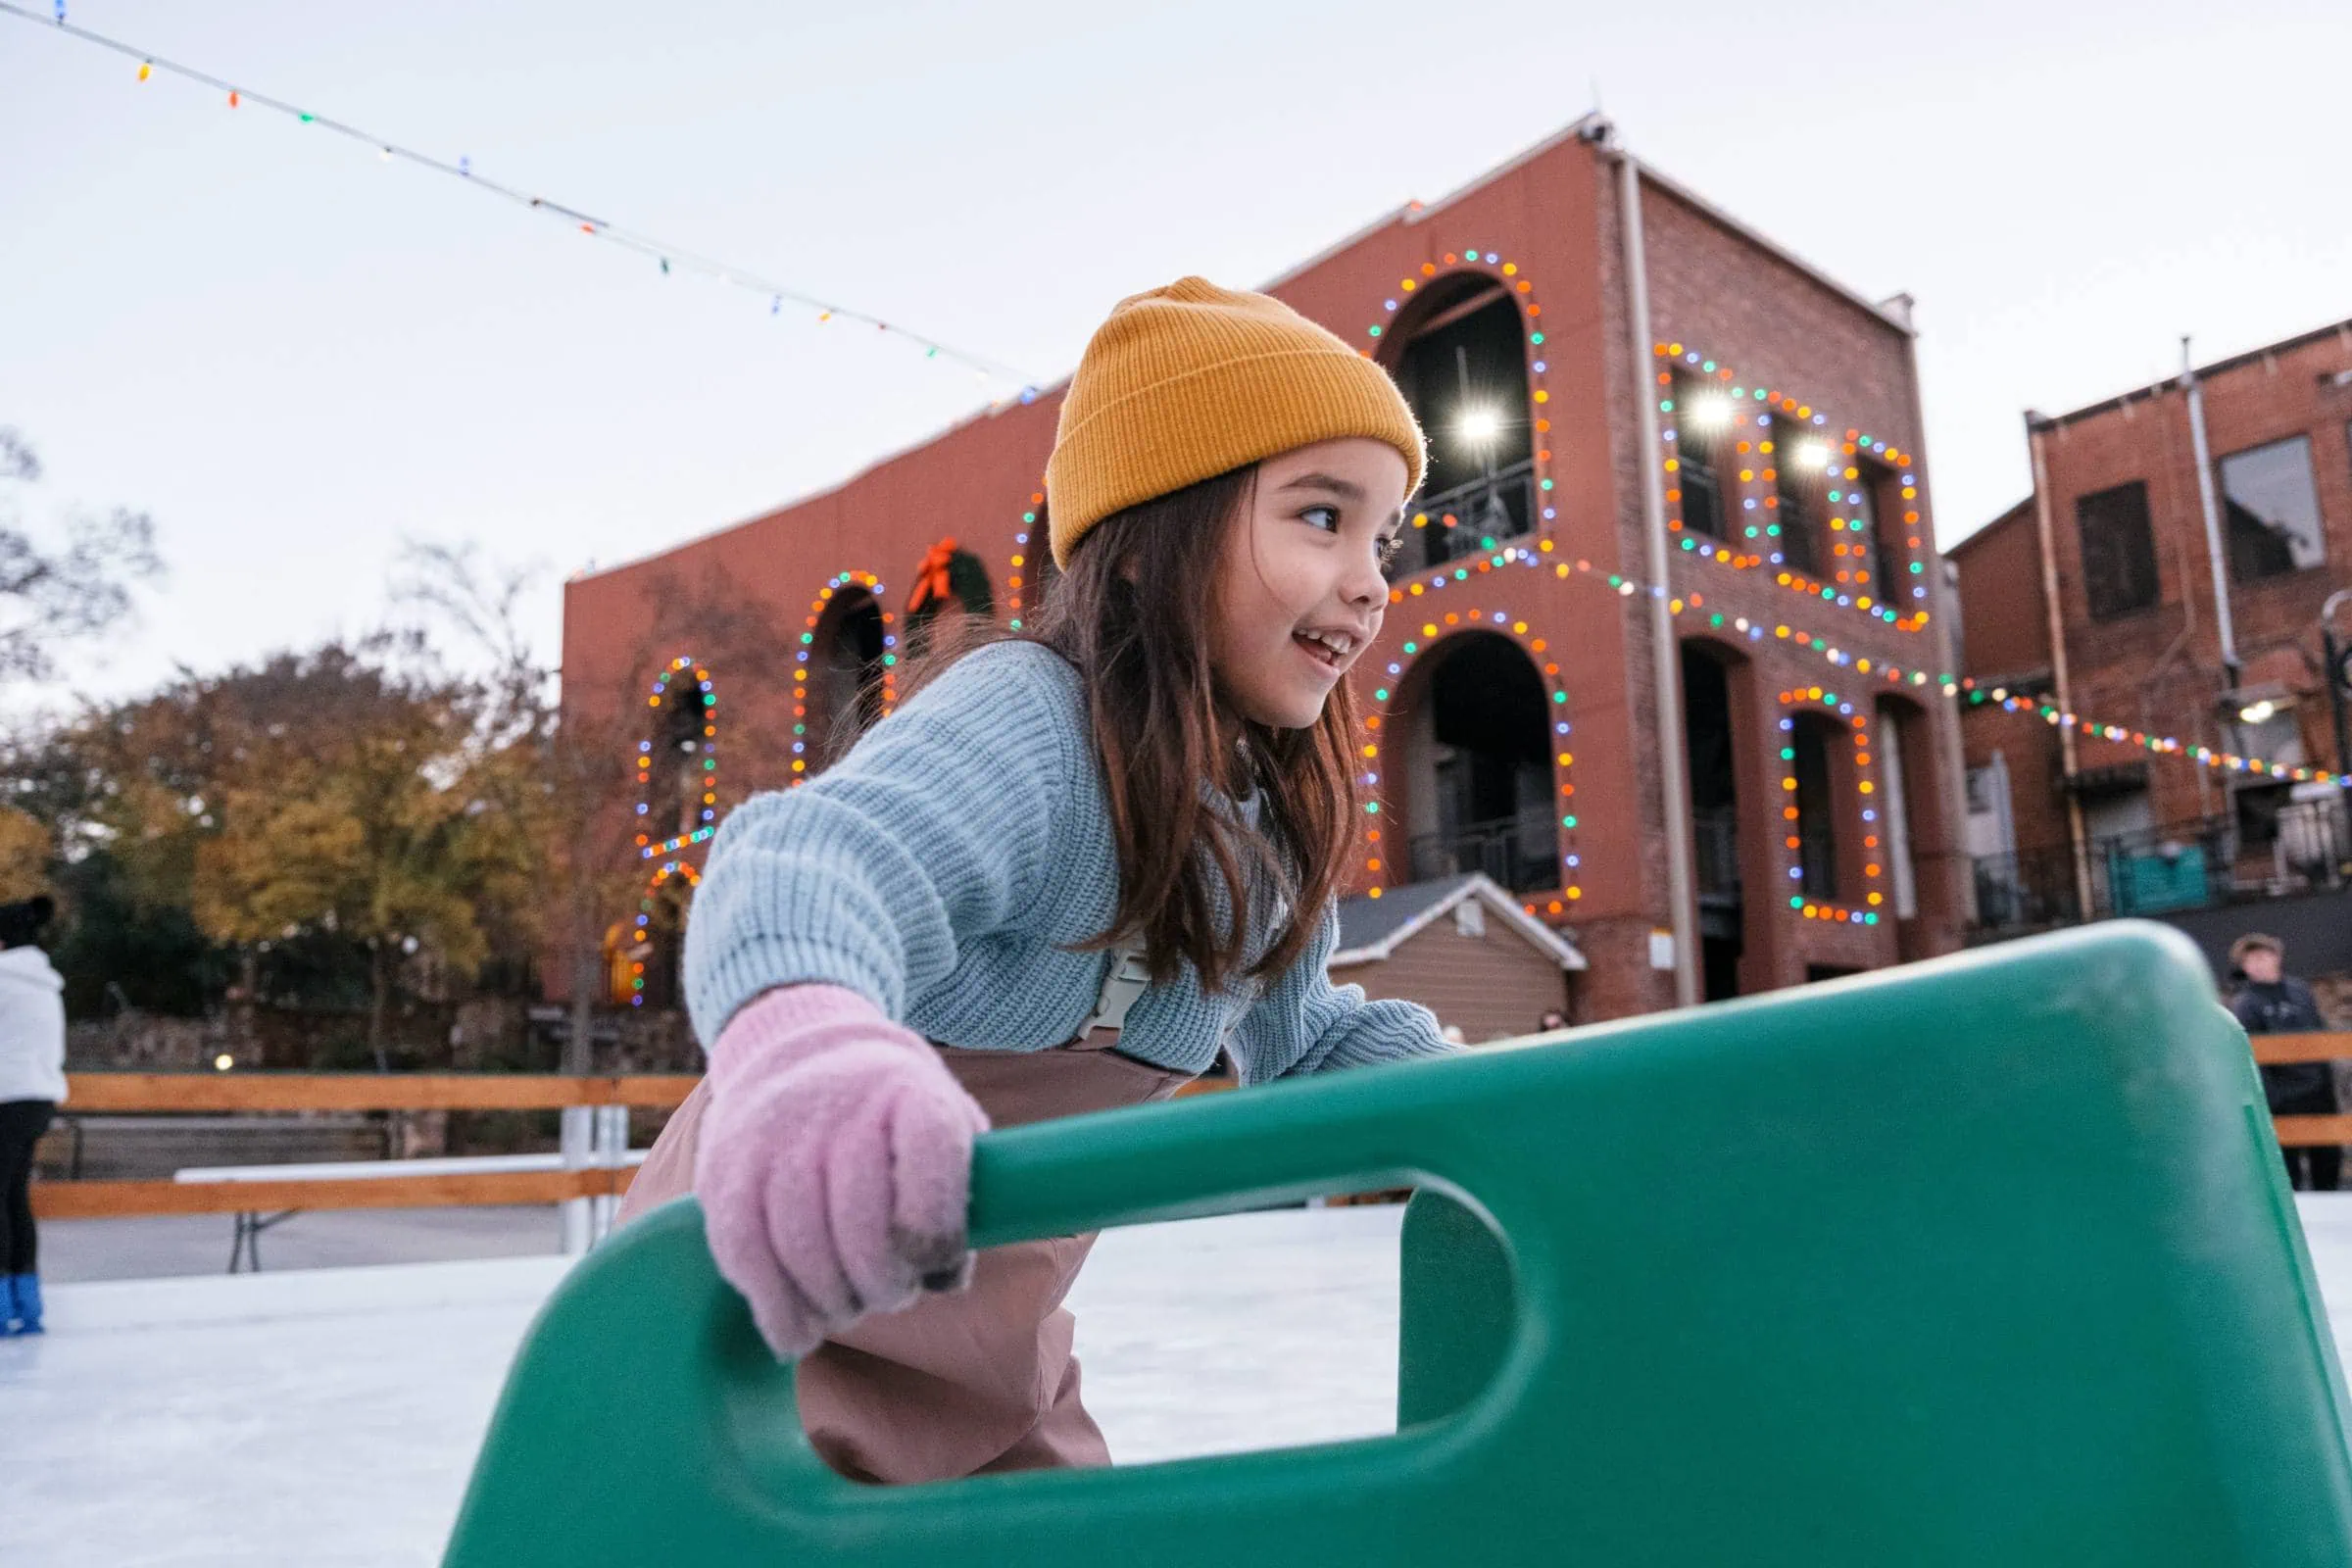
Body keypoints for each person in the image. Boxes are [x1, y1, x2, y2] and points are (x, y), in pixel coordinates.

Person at [618, 277, 1454, 1483]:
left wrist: (1505, 1108)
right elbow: (811, 861)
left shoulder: (1256, 840)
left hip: (990, 1364)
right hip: (766, 1309)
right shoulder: (1037, 722)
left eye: (1382, 534)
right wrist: (816, 1048)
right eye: (1321, 516)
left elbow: (1307, 1038)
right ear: (1148, 543)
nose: (1373, 578)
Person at [0, 895, 66, 1337]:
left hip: (5, 1097)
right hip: (39, 1098)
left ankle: (3, 1305)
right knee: (13, 1198)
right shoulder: (45, 985)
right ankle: (28, 1300)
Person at [2229, 932, 2338, 1192]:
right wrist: (2274, 1098)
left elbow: (2319, 1037)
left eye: (2264, 956)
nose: (2259, 963)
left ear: (2276, 957)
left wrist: (2326, 1085)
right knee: (2288, 1173)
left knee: (2327, 1162)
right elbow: (2251, 1056)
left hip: (2317, 1093)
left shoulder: (2300, 991)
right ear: (2244, 966)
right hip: (2282, 1099)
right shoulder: (2246, 1004)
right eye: (2251, 959)